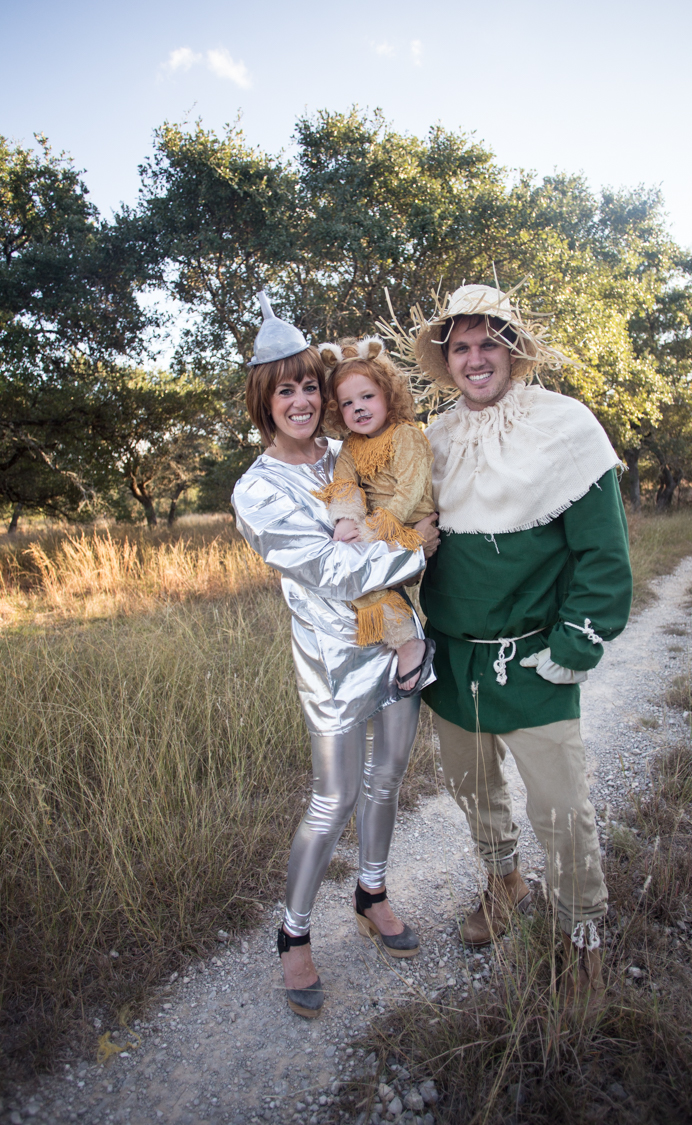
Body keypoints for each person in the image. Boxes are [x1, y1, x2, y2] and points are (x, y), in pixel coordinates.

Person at [380, 282, 632, 1005]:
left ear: (514, 351)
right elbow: (415, 536)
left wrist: (577, 642)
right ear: (446, 360)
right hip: (456, 658)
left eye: (489, 341)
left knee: (561, 806)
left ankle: (584, 933)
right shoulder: (436, 438)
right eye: (460, 346)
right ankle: (504, 880)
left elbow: (604, 557)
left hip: (534, 656)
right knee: (473, 788)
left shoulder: (567, 426)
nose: (474, 356)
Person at [231, 293, 439, 1019]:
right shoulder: (257, 489)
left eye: (307, 385)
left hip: (397, 637)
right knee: (332, 798)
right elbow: (334, 569)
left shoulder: (352, 446)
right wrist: (416, 543)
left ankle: (372, 891)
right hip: (330, 659)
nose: (300, 399)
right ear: (264, 399)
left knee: (390, 777)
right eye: (283, 388)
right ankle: (292, 934)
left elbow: (411, 491)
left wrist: (414, 528)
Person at [313, 335, 436, 695]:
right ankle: (402, 641)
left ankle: (410, 645)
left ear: (388, 395)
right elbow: (344, 483)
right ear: (337, 410)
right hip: (376, 524)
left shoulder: (406, 435)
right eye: (348, 403)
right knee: (355, 573)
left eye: (367, 397)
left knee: (357, 564)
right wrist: (346, 520)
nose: (359, 408)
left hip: (410, 522)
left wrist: (373, 529)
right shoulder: (351, 444)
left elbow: (410, 492)